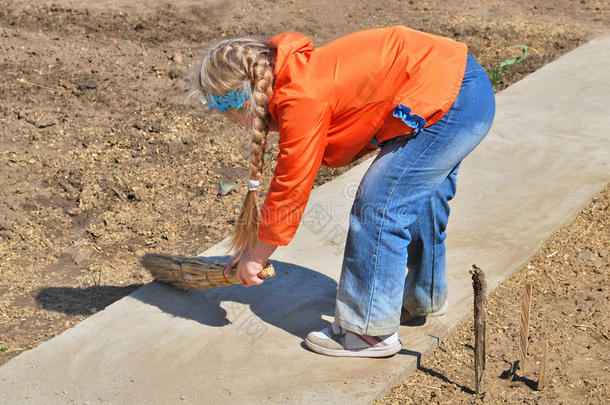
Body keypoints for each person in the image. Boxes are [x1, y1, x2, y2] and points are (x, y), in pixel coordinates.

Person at [196, 26, 495, 357]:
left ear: (246, 102)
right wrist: (253, 248)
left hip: (449, 102)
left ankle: (367, 332)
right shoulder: (297, 72)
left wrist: (256, 257)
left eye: (231, 117)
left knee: (379, 206)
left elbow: (291, 185)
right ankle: (422, 295)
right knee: (418, 198)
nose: (237, 125)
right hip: (459, 85)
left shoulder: (301, 96)